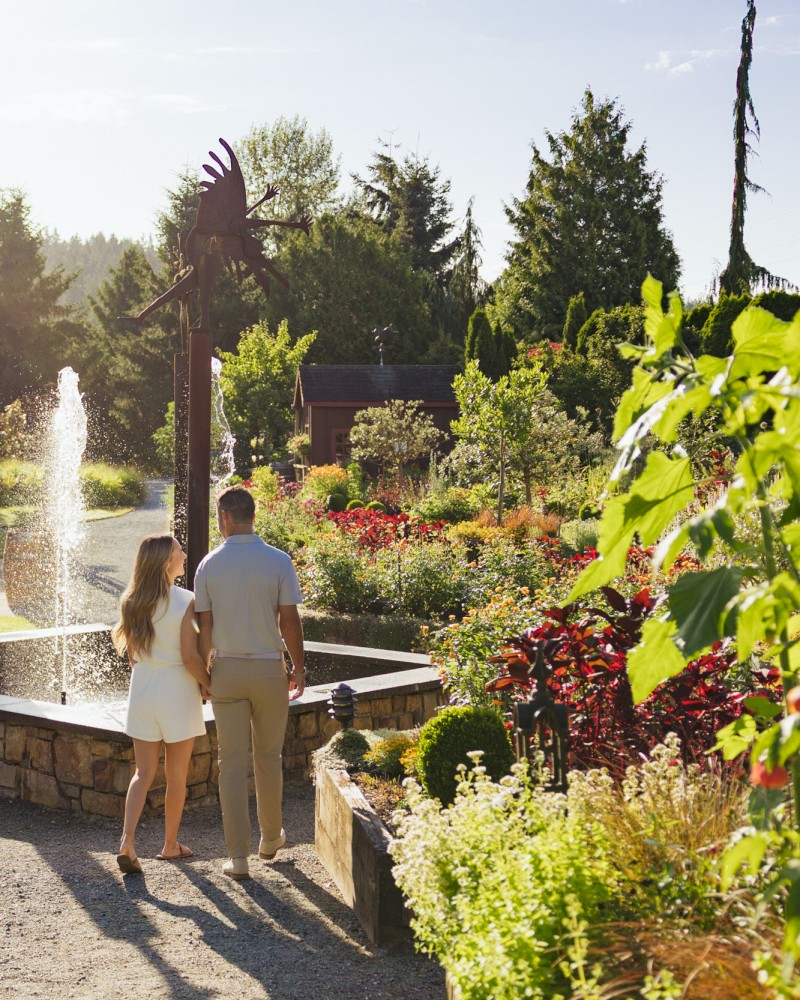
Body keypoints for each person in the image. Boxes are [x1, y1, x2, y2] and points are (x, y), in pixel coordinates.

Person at [194, 484, 305, 881]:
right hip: (268, 670)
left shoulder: (208, 564)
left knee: (232, 765)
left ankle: (238, 857)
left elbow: (204, 629)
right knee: (268, 758)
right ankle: (271, 838)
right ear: (253, 516)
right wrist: (300, 667)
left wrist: (205, 676)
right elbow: (289, 621)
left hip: (226, 671)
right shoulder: (278, 560)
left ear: (224, 517)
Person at [111, 534, 210, 874]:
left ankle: (127, 841)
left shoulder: (131, 601)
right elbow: (189, 655)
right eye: (179, 551)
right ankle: (170, 845)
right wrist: (207, 684)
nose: (184, 554)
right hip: (176, 688)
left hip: (143, 687)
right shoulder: (186, 600)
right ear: (167, 561)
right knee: (176, 774)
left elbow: (134, 658)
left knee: (143, 772)